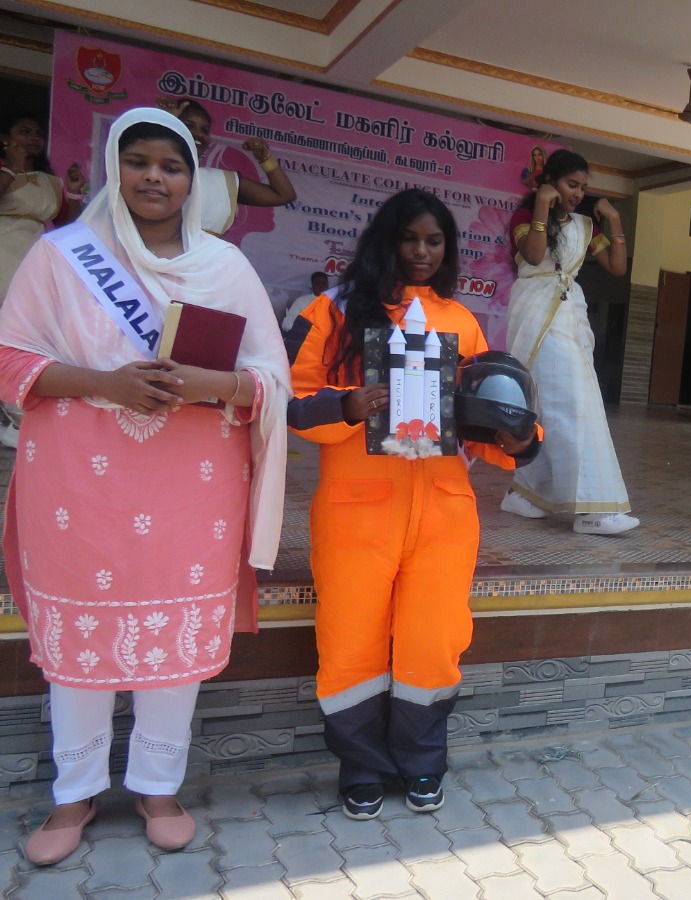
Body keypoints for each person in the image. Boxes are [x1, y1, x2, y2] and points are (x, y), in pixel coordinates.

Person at [0, 107, 289, 864]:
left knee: (174, 632)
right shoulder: (62, 255)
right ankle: (74, 794)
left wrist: (209, 383)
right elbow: (8, 358)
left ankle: (158, 787)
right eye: (138, 162)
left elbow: (270, 379)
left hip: (191, 486)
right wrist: (105, 382)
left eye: (171, 165)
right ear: (114, 168)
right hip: (78, 484)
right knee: (80, 639)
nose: (154, 177)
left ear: (194, 179)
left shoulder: (226, 267)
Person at [286, 188, 536, 819]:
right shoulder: (333, 310)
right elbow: (291, 403)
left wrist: (519, 436)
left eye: (435, 241)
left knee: (434, 641)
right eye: (410, 238)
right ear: (385, 240)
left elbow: (486, 408)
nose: (422, 251)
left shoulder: (461, 321)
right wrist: (347, 405)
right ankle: (362, 768)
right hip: (356, 510)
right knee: (350, 643)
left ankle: (422, 762)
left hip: (444, 512)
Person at [498, 150, 637, 534]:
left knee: (561, 405)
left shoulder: (582, 226)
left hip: (568, 316)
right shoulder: (525, 217)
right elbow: (534, 255)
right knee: (569, 405)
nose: (578, 194)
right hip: (535, 312)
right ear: (549, 182)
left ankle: (526, 495)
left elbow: (617, 267)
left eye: (583, 187)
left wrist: (614, 220)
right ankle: (590, 509)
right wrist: (542, 206)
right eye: (571, 185)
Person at [0, 114, 86, 448]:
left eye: (38, 133)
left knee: (19, 335)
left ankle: (16, 417)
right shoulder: (4, 170)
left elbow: (65, 224)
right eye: (24, 132)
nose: (34, 138)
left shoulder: (49, 181)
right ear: (6, 138)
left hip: (29, 256)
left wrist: (73, 192)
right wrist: (12, 167)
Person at [157, 98, 296, 236]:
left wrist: (265, 158)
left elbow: (283, 195)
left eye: (205, 130)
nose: (199, 134)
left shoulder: (222, 180)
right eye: (189, 126)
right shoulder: (153, 174)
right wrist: (164, 127)